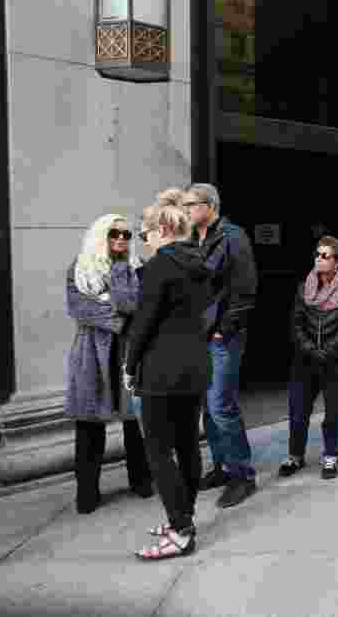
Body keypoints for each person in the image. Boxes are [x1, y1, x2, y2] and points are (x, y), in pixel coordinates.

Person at [126, 201, 213, 560]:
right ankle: (184, 517)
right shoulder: (200, 262)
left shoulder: (159, 265)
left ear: (162, 230)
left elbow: (143, 325)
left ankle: (181, 529)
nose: (143, 241)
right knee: (188, 445)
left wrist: (130, 367)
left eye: (144, 234)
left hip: (161, 371)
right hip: (194, 367)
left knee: (159, 452)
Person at [65, 214, 152, 514]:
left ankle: (141, 481)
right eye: (114, 233)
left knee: (134, 422)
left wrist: (117, 279)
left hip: (129, 351)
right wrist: (119, 317)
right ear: (101, 235)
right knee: (89, 425)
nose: (121, 239)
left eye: (127, 235)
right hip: (91, 352)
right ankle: (87, 493)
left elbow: (136, 306)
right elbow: (80, 308)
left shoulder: (135, 269)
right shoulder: (80, 268)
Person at [184, 183, 259, 509]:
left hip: (221, 336)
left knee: (221, 405)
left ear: (209, 206)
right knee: (208, 409)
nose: (186, 210)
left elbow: (245, 289)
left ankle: (243, 474)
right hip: (198, 335)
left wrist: (222, 330)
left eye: (191, 204)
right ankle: (223, 467)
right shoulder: (193, 239)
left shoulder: (232, 236)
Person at [280, 236, 338, 480]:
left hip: (335, 361)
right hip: (305, 360)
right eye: (317, 254)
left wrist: (326, 352)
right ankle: (295, 455)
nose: (318, 258)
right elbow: (295, 323)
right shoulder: (303, 287)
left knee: (333, 411)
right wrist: (309, 349)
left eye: (325, 255)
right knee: (298, 410)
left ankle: (330, 456)